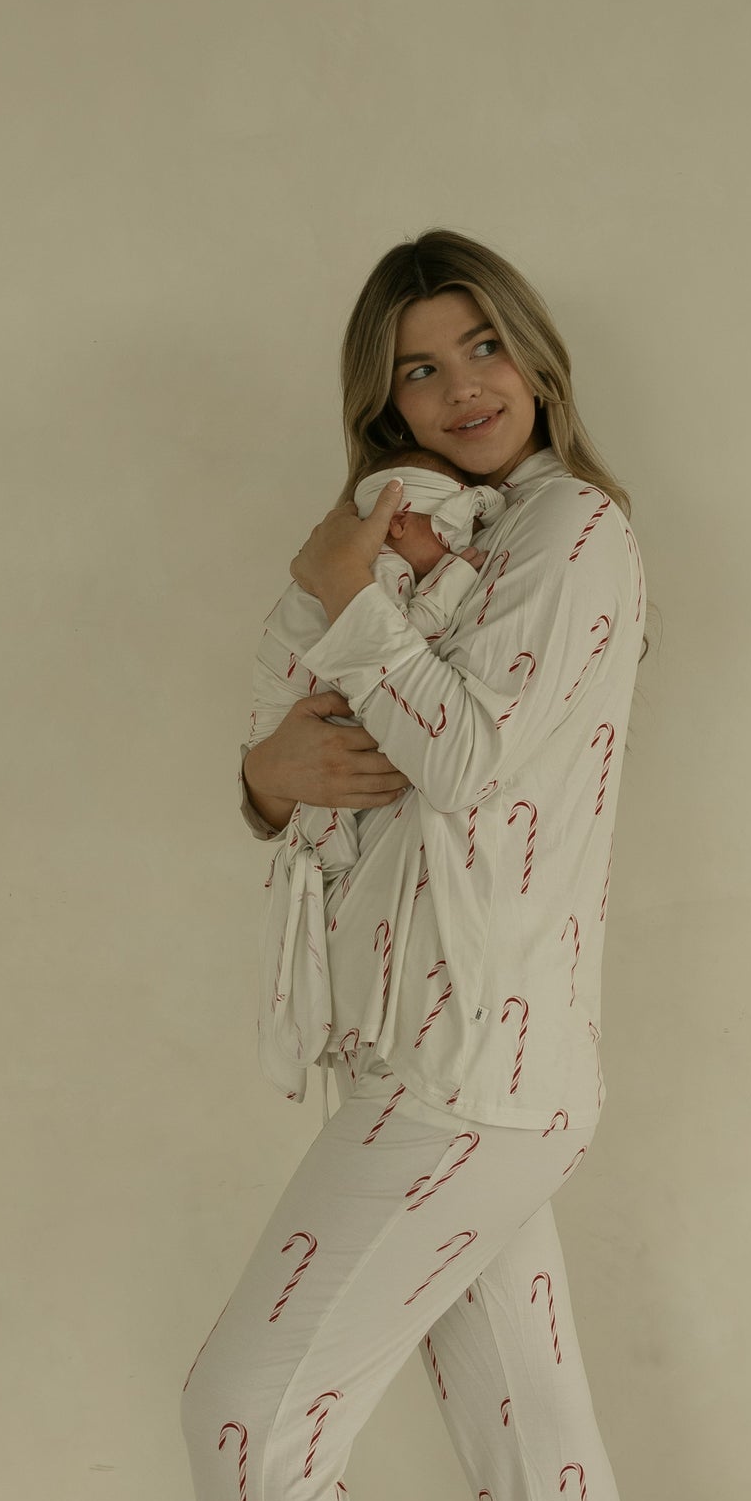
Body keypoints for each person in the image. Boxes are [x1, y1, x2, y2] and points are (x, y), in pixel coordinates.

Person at [182, 229, 672, 1501]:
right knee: (536, 1435)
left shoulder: (579, 540)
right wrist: (265, 770)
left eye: (482, 345)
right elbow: (284, 752)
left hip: (477, 1075)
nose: (459, 383)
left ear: (536, 355)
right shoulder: (399, 532)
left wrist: (346, 607)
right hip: (416, 1056)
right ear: (380, 398)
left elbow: (478, 775)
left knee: (244, 1415)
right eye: (416, 364)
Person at [250, 442, 511, 1102]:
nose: (457, 550)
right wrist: (454, 581)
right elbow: (400, 647)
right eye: (448, 534)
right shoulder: (374, 575)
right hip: (321, 776)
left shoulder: (355, 573)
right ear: (397, 521)